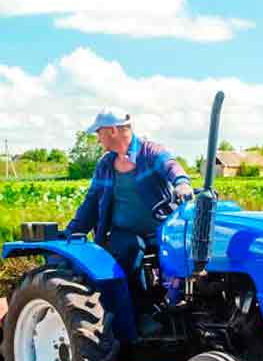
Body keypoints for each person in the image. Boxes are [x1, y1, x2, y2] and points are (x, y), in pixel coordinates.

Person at [65, 110, 193, 332]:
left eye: (99, 133)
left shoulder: (151, 152)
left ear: (113, 130)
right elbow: (91, 203)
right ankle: (140, 315)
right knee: (131, 248)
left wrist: (182, 183)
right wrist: (70, 234)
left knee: (187, 255)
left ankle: (180, 308)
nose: (97, 138)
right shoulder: (105, 165)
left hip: (161, 231)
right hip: (122, 234)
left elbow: (171, 166)